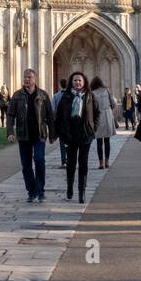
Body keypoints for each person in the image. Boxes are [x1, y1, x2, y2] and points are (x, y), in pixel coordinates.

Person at [7, 69, 56, 203]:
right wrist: (10, 132)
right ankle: (31, 190)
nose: (27, 80)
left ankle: (40, 190)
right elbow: (10, 115)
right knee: (26, 165)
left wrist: (52, 134)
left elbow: (50, 117)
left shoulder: (43, 95)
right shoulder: (17, 95)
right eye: (25, 77)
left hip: (39, 134)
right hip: (23, 135)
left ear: (35, 79)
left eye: (29, 77)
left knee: (39, 160)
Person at [56, 72, 99, 202]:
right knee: (71, 163)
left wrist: (93, 129)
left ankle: (82, 191)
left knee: (83, 163)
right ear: (71, 82)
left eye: (80, 80)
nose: (77, 83)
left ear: (84, 81)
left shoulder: (90, 96)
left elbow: (97, 113)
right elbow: (59, 116)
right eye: (75, 80)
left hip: (85, 135)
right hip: (70, 135)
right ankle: (70, 187)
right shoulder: (66, 97)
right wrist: (60, 133)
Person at [89, 76, 115, 169]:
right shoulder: (106, 91)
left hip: (98, 118)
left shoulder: (91, 93)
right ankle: (107, 162)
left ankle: (101, 163)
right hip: (107, 116)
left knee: (99, 142)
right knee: (107, 141)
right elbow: (113, 102)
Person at [51, 78, 70, 168]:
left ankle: (64, 162)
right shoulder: (72, 94)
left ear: (60, 85)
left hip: (61, 121)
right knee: (70, 142)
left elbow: (53, 109)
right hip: (70, 121)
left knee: (62, 143)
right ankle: (70, 160)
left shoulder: (56, 96)